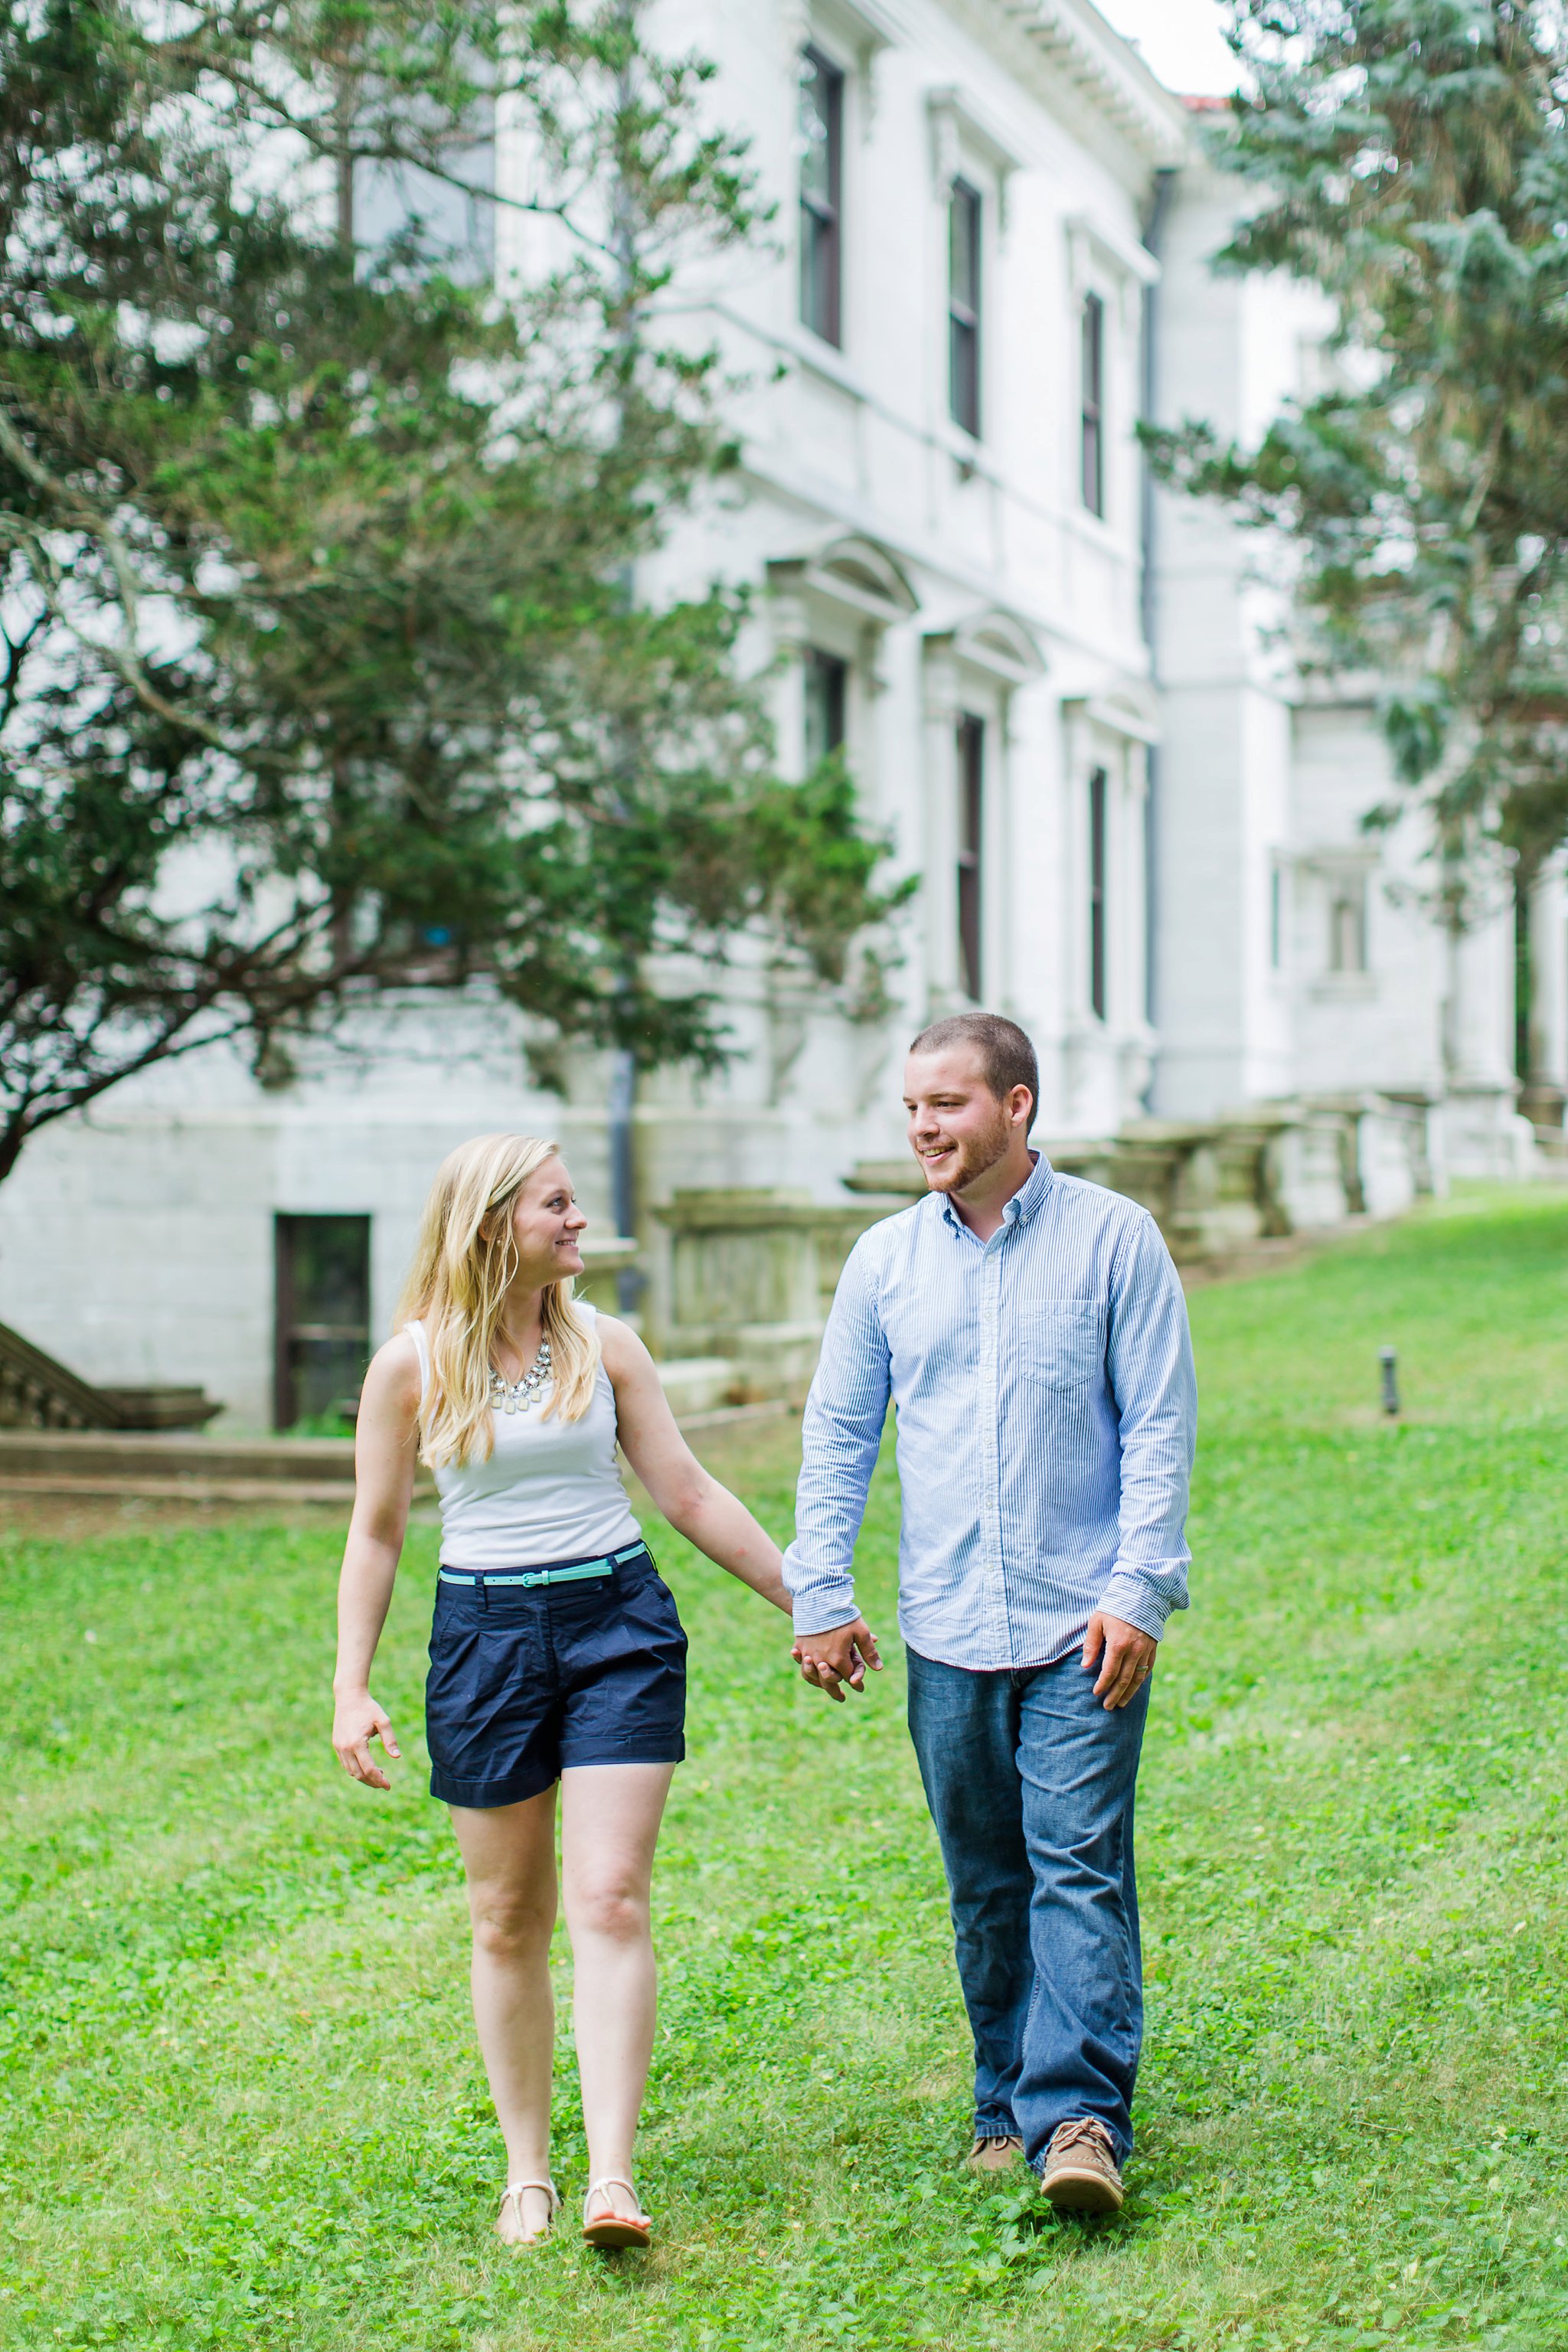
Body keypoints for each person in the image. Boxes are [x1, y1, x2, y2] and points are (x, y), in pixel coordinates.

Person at [331, 1132, 792, 2252]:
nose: (579, 1221)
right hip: (484, 1641)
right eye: (559, 1206)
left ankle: (612, 2178)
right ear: (494, 1224)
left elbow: (684, 1490)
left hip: (616, 1624)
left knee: (612, 1898)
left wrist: (806, 1599)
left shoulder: (607, 1345)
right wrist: (351, 1686)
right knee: (505, 1919)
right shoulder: (411, 1364)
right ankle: (527, 2173)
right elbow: (379, 1532)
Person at [785, 1013, 1196, 2214]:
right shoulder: (884, 1263)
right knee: (984, 1877)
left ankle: (1077, 2120)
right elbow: (841, 1434)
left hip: (1083, 1627)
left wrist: (1138, 1590)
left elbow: (1159, 1428)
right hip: (946, 1628)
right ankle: (1000, 2102)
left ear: (1015, 1108)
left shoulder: (1116, 1242)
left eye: (947, 1105)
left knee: (1076, 1866)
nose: (923, 1126)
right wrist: (821, 1590)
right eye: (912, 1106)